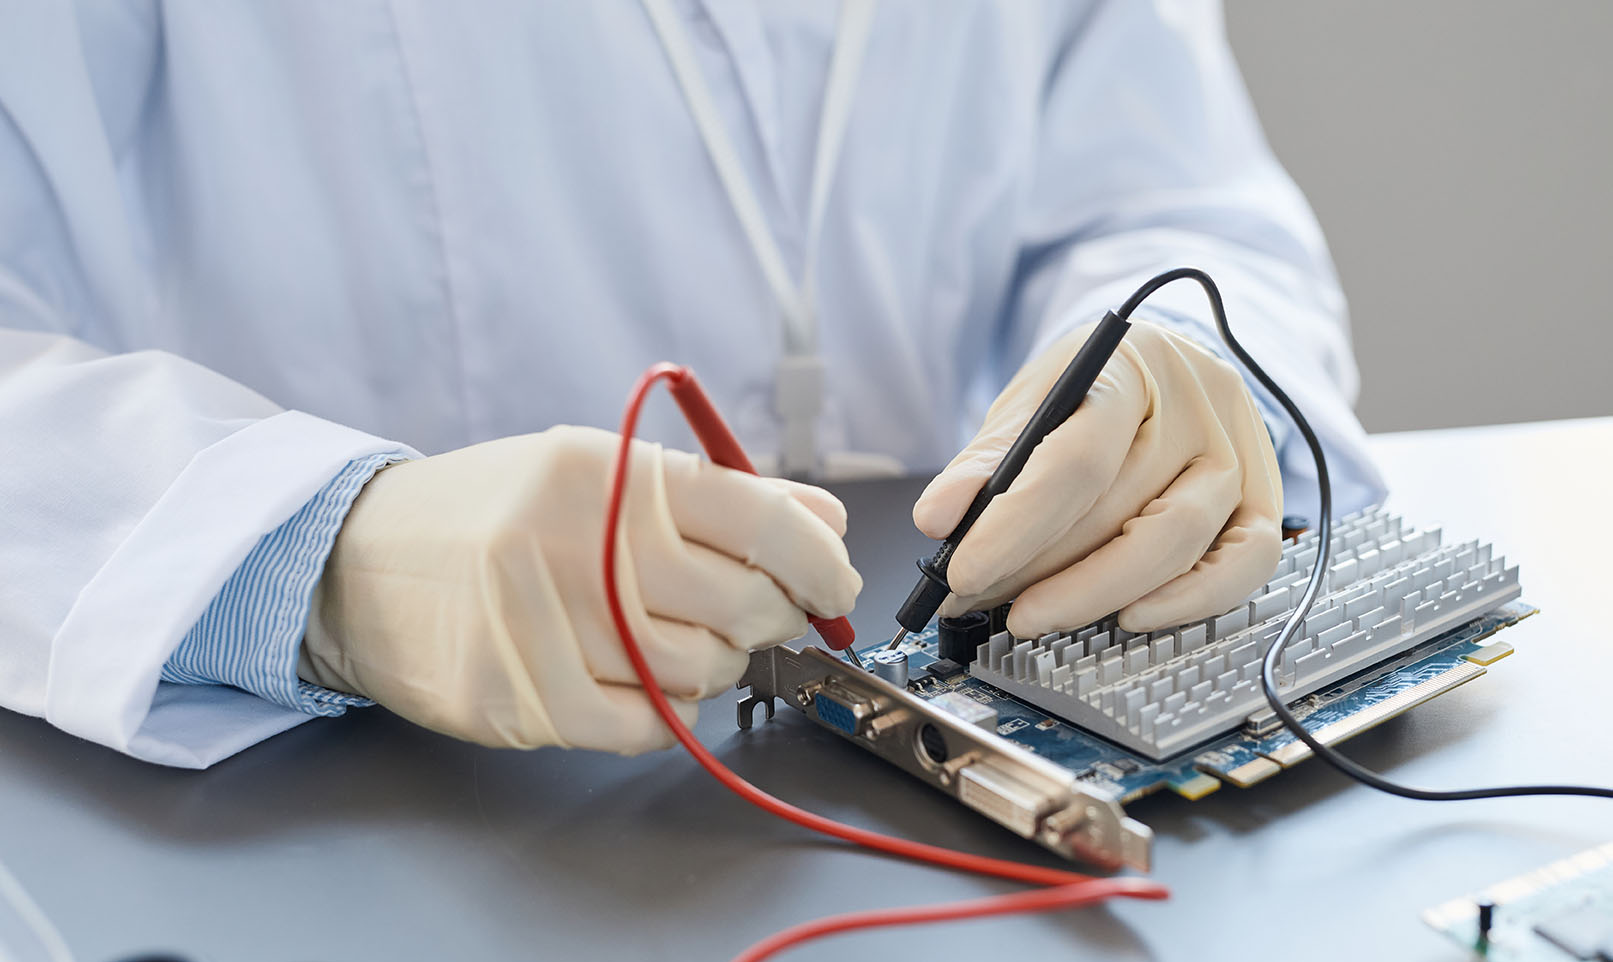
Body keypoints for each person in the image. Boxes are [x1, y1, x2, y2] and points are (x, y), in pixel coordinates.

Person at [0, 1, 1384, 768]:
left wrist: (1186, 376)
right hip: (379, 803)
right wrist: (323, 556)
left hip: (950, 756)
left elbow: (1166, 193)